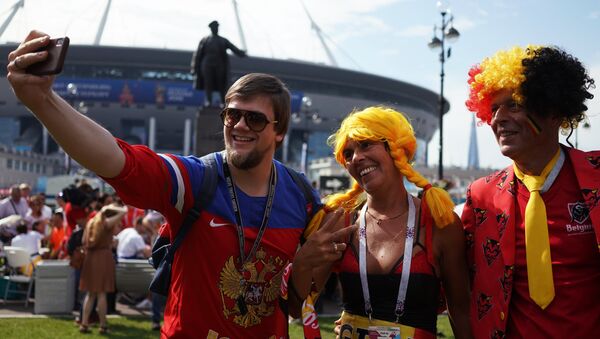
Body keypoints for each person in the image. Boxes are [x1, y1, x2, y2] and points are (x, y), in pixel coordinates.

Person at [7, 32, 320, 338]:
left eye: (255, 119)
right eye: (232, 115)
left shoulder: (302, 197)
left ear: (280, 131)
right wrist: (43, 101)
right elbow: (117, 159)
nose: (239, 125)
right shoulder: (197, 179)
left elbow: (303, 297)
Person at [292, 107, 472, 338]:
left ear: (396, 150)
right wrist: (303, 262)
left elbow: (461, 312)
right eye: (348, 154)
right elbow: (297, 308)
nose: (356, 157)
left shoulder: (440, 224)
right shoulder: (341, 222)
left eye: (366, 144)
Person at [462, 45, 600, 338]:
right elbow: (455, 277)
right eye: (494, 108)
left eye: (513, 105)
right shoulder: (481, 195)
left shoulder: (597, 176)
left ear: (553, 111)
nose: (498, 119)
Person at [78, 204, 127, 334]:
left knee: (90, 293)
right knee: (101, 293)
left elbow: (83, 240)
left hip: (90, 257)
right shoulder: (106, 223)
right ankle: (103, 325)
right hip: (103, 257)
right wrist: (108, 209)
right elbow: (124, 212)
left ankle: (84, 323)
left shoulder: (90, 223)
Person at [191, 20, 247, 107]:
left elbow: (233, 48)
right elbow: (197, 55)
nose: (216, 29)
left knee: (221, 83)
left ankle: (222, 102)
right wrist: (194, 68)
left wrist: (242, 53)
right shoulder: (205, 40)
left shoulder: (222, 40)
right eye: (214, 27)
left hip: (219, 65)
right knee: (208, 83)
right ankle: (208, 101)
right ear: (211, 28)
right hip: (207, 65)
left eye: (217, 27)